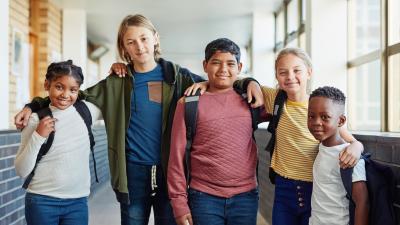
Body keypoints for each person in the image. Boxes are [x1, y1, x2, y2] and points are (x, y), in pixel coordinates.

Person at [14, 15, 262, 225]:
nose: (139, 46)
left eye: (143, 38)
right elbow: (71, 97)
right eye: (131, 42)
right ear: (124, 48)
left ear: (155, 38)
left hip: (170, 171)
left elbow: (220, 80)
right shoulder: (116, 82)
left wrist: (249, 82)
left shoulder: (180, 77)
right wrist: (33, 104)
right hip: (133, 172)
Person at [259, 48, 364, 225]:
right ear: (276, 76)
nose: (290, 76)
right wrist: (250, 83)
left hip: (314, 190)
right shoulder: (274, 98)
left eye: (296, 70)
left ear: (309, 72)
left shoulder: (318, 106)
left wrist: (356, 147)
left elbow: (351, 140)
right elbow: (237, 81)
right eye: (282, 72)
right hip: (283, 188)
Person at [168, 38, 263, 225]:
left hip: (246, 197)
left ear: (239, 66)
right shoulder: (188, 104)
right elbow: (176, 157)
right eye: (216, 63)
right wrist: (179, 202)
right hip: (204, 198)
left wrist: (253, 82)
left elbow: (286, 97)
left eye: (230, 64)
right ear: (205, 65)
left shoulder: (252, 100)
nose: (223, 70)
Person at [14, 60, 102, 225]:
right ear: (47, 85)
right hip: (42, 202)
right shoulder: (34, 119)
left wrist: (120, 67)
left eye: (73, 90)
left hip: (77, 203)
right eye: (59, 87)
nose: (65, 95)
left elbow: (116, 98)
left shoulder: (87, 111)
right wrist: (38, 135)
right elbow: (21, 170)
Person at [307, 86, 369, 225]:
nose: (316, 122)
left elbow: (362, 203)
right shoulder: (321, 148)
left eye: (325, 117)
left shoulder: (349, 156)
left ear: (340, 121)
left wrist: (357, 145)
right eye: (311, 116)